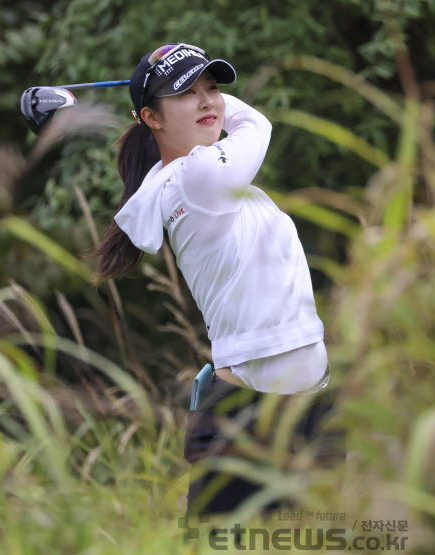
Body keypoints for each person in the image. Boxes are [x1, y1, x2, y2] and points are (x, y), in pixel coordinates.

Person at [92, 43, 343, 515]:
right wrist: (210, 99)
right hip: (245, 417)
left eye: (212, 87)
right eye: (186, 92)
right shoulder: (198, 178)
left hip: (311, 408)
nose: (208, 101)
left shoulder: (214, 179)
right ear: (152, 118)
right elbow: (257, 124)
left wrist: (179, 88)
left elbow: (234, 120)